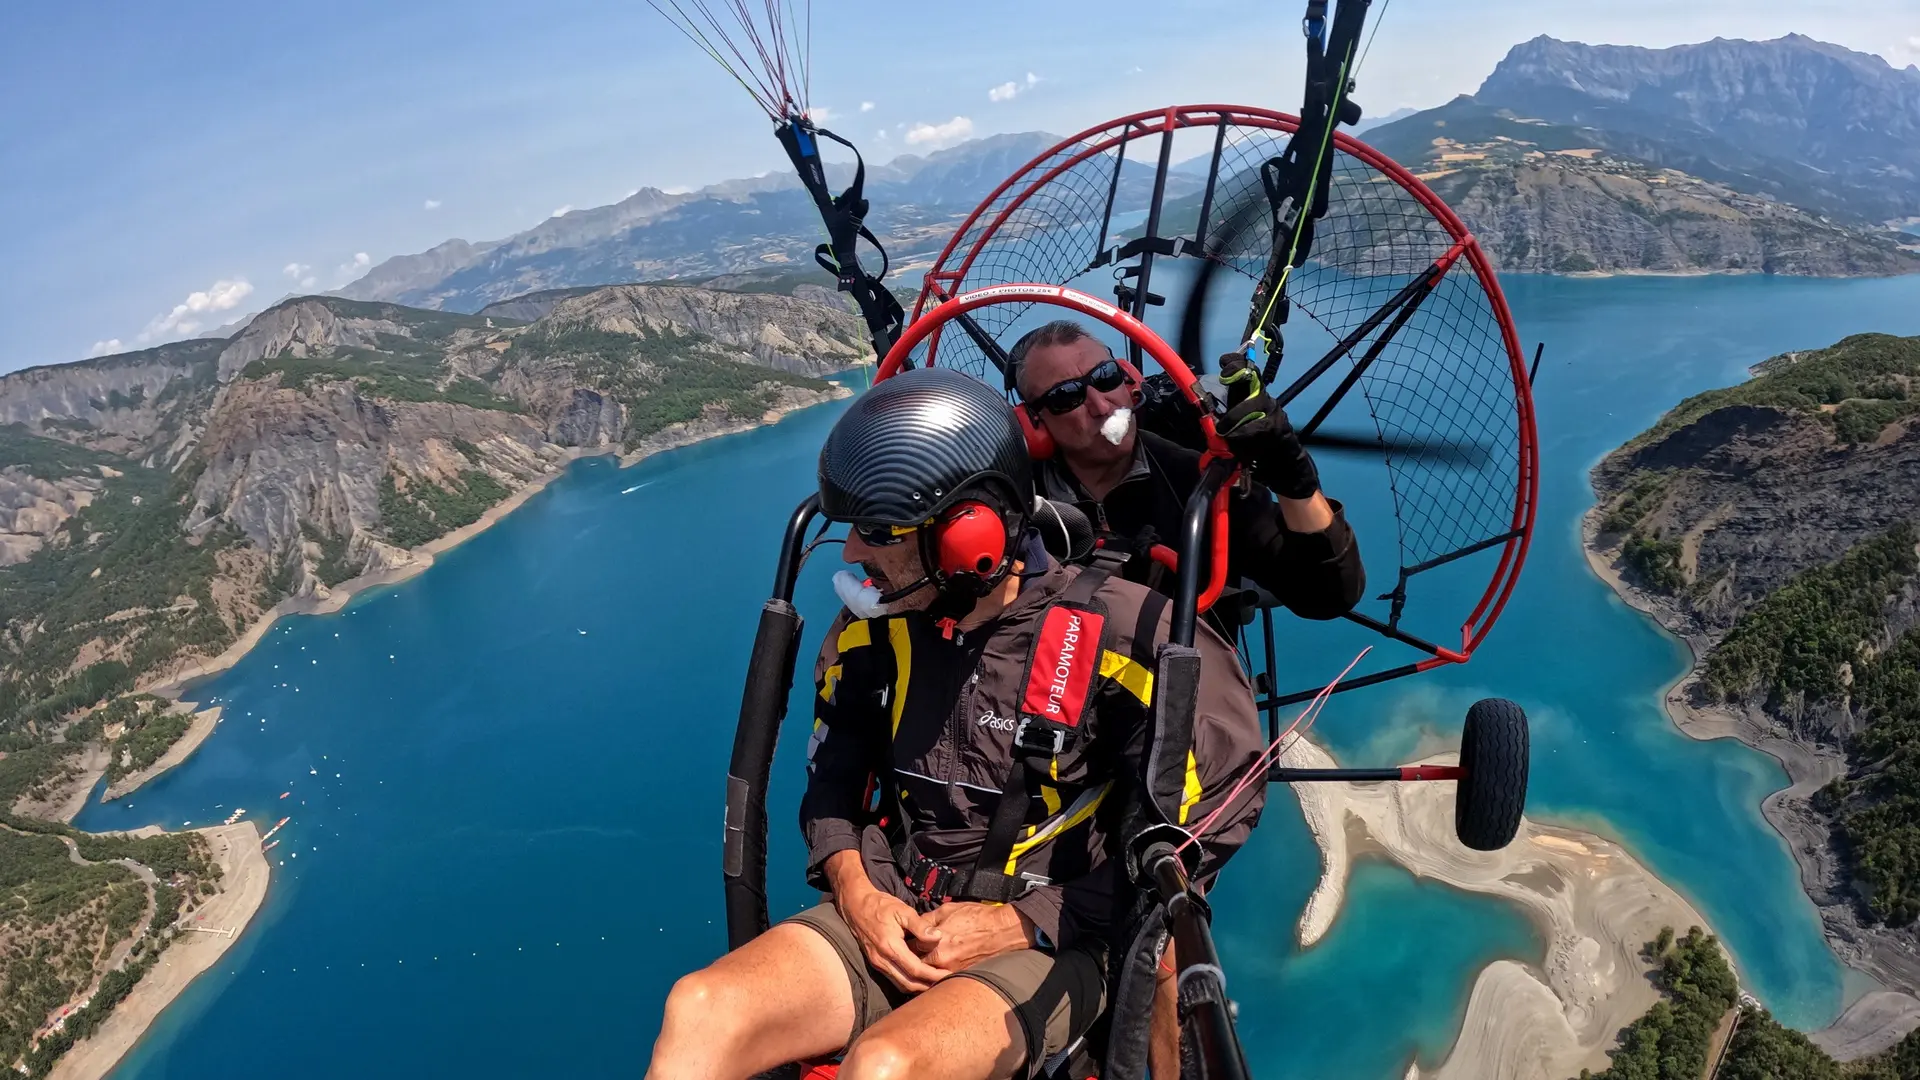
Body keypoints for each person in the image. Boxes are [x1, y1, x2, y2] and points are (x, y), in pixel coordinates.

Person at [646, 367, 1267, 1080]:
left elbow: (1206, 821)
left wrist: (1023, 919)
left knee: (886, 1068)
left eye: (877, 531)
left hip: (1053, 935)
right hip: (896, 907)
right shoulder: (872, 635)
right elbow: (833, 784)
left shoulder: (1122, 636)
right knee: (700, 1009)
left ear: (968, 534)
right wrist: (856, 891)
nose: (852, 554)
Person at [1009, 319, 1365, 627]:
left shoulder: (1201, 480)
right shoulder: (1015, 501)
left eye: (1106, 377)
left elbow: (1329, 595)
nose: (1101, 405)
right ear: (1033, 424)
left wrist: (1294, 478)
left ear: (1129, 382)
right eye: (1066, 396)